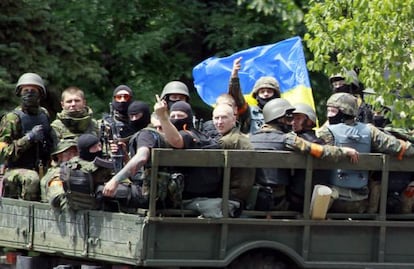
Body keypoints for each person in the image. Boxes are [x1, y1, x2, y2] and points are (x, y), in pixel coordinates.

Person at [250, 98, 359, 211]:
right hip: (279, 202)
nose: (291, 122)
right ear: (280, 119)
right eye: (288, 118)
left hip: (252, 200)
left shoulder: (250, 139)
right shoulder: (288, 139)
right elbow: (319, 151)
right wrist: (343, 151)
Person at [317, 92, 414, 213]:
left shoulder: (325, 132)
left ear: (344, 112)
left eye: (332, 111)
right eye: (328, 111)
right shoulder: (369, 130)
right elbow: (397, 146)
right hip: (361, 202)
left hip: (330, 201)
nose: (328, 115)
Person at [0, 73, 55, 200]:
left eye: (33, 90)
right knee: (32, 179)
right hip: (17, 169)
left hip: (42, 167)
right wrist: (28, 138)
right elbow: (3, 154)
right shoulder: (12, 118)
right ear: (20, 93)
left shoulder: (44, 114)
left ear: (40, 94)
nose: (29, 93)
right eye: (25, 90)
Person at [212, 104, 255, 206]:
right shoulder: (244, 137)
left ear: (233, 119)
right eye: (216, 118)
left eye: (224, 117)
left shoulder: (226, 142)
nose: (219, 122)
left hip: (231, 195)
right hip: (243, 194)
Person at [228, 57, 281, 134]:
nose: (265, 94)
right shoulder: (248, 112)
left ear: (275, 95)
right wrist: (234, 75)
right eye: (262, 92)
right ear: (256, 95)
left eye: (269, 91)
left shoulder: (282, 113)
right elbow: (236, 97)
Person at [40, 139, 78, 209]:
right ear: (59, 156)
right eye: (70, 153)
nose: (75, 157)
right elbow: (59, 199)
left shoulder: (76, 171)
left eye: (77, 153)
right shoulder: (57, 174)